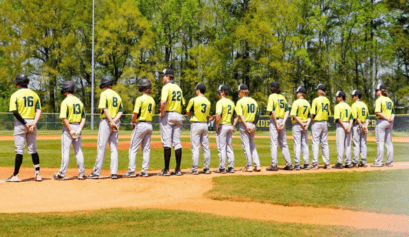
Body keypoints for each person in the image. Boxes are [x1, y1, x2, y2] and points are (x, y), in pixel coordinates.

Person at [6, 74, 42, 182]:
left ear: (19, 83)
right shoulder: (34, 94)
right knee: (33, 149)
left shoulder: (15, 95)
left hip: (21, 123)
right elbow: (39, 110)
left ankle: (15, 175)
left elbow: (15, 112)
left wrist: (25, 123)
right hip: (32, 122)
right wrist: (34, 123)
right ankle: (38, 174)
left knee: (19, 150)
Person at [88, 76, 123, 179]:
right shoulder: (117, 95)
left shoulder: (104, 94)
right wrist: (115, 121)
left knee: (101, 147)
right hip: (116, 122)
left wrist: (111, 121)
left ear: (105, 84)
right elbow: (121, 111)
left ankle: (96, 173)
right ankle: (114, 173)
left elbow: (105, 109)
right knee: (113, 147)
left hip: (106, 122)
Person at [53, 81, 86, 180]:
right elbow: (83, 118)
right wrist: (79, 128)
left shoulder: (65, 102)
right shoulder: (79, 101)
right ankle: (81, 173)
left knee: (65, 151)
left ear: (66, 89)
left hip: (69, 128)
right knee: (78, 151)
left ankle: (61, 174)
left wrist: (70, 130)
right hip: (78, 126)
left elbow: (64, 118)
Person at [123, 79, 156, 178]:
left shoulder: (140, 99)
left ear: (144, 88)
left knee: (133, 148)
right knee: (146, 149)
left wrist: (133, 122)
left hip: (141, 124)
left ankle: (131, 171)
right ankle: (144, 171)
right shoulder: (152, 100)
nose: (139, 87)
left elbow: (135, 113)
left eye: (141, 86)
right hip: (149, 125)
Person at [159, 68, 185, 176]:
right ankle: (178, 169)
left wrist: (162, 113)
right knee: (177, 142)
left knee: (166, 142)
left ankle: (166, 169)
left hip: (168, 114)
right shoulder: (178, 88)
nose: (162, 78)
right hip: (178, 115)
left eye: (163, 76)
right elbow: (182, 103)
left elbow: (163, 101)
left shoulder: (166, 87)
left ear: (167, 76)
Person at [232, 84, 261, 172]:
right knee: (252, 145)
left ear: (242, 92)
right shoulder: (253, 101)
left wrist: (246, 126)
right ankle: (257, 165)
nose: (238, 94)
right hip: (252, 124)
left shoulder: (240, 102)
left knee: (246, 146)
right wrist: (254, 125)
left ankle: (249, 166)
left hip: (244, 125)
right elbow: (257, 115)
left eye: (239, 92)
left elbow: (240, 115)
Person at [265, 81, 292, 171]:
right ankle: (289, 164)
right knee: (284, 143)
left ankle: (274, 165)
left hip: (275, 120)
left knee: (274, 143)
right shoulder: (282, 97)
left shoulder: (271, 96)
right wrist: (283, 122)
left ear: (272, 88)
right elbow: (287, 111)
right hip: (282, 121)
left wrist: (276, 124)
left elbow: (272, 111)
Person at [186, 83, 211, 175]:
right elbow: (207, 115)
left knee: (195, 147)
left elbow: (187, 112)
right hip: (205, 124)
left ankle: (195, 168)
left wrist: (191, 113)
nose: (195, 91)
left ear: (198, 90)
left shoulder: (193, 100)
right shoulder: (208, 101)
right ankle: (206, 168)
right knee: (206, 147)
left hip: (196, 124)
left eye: (196, 89)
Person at [214, 85, 236, 174]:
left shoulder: (220, 102)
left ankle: (222, 168)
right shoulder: (231, 102)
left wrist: (216, 126)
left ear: (223, 92)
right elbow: (236, 116)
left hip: (222, 126)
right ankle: (231, 167)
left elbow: (218, 115)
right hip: (229, 126)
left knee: (221, 147)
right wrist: (233, 126)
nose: (218, 92)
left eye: (219, 91)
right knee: (229, 147)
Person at [372, 84, 395, 167]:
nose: (376, 92)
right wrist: (391, 118)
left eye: (376, 90)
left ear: (380, 91)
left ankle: (378, 162)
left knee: (380, 143)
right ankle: (389, 162)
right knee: (389, 143)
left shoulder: (379, 100)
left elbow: (378, 112)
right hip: (389, 123)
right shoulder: (390, 100)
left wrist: (386, 118)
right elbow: (393, 113)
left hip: (382, 122)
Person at [310, 84, 331, 169]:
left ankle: (315, 164)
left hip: (317, 122)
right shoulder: (327, 100)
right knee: (324, 143)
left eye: (317, 89)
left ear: (320, 91)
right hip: (324, 122)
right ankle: (327, 163)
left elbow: (313, 113)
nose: (316, 91)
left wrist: (311, 120)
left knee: (315, 142)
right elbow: (329, 113)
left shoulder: (315, 100)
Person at [290, 86, 311, 171]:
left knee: (297, 144)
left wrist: (302, 124)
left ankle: (297, 164)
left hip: (298, 124)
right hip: (305, 124)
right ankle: (306, 164)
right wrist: (306, 125)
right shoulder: (307, 103)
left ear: (300, 93)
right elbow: (310, 116)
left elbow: (294, 115)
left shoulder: (296, 102)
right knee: (305, 144)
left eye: (297, 92)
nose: (296, 94)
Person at [332, 91, 353, 169]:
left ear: (341, 97)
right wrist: (349, 127)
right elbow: (351, 118)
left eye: (337, 97)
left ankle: (340, 162)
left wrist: (344, 127)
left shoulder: (338, 106)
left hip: (341, 125)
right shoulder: (348, 106)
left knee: (340, 144)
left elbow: (338, 118)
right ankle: (348, 163)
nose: (336, 98)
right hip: (348, 124)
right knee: (347, 144)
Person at [350, 89, 369, 167]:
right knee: (363, 144)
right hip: (364, 124)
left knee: (356, 144)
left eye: (353, 96)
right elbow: (367, 117)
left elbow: (356, 118)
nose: (352, 97)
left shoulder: (354, 105)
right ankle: (363, 161)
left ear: (357, 96)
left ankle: (355, 161)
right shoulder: (364, 105)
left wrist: (361, 125)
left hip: (357, 125)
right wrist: (365, 127)